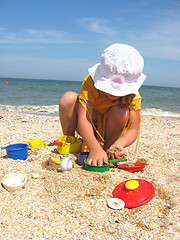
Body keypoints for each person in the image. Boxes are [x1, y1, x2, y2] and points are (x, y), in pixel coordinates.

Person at [59, 43, 146, 166]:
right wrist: (94, 147)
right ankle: (71, 141)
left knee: (120, 110)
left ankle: (108, 149)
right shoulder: (90, 82)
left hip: (110, 129)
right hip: (88, 126)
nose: (115, 93)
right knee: (68, 98)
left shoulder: (132, 95)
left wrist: (119, 144)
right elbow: (83, 119)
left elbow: (133, 129)